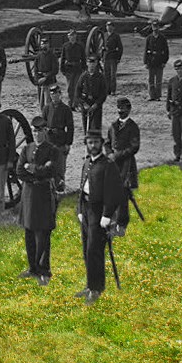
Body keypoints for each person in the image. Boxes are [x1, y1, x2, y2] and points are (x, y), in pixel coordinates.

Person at [75, 128, 124, 306]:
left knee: (95, 251)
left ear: (101, 144)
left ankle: (96, 289)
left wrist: (107, 215)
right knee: (86, 249)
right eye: (90, 142)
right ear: (86, 144)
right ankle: (90, 285)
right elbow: (82, 188)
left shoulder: (108, 165)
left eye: (96, 142)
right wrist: (79, 209)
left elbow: (115, 192)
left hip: (99, 211)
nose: (93, 146)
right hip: (86, 210)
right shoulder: (87, 162)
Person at [16, 118, 59, 285]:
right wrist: (35, 174)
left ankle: (44, 269)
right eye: (34, 131)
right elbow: (19, 171)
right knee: (29, 232)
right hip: (29, 194)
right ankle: (32, 268)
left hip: (43, 195)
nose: (37, 134)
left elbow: (51, 170)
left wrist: (32, 168)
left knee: (43, 233)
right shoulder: (27, 148)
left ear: (45, 132)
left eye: (40, 131)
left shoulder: (52, 150)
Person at [105, 97, 140, 235]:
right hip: (113, 165)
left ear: (129, 110)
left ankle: (122, 224)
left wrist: (118, 155)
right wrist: (109, 154)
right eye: (119, 109)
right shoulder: (113, 126)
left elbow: (134, 147)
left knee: (124, 195)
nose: (121, 111)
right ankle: (112, 220)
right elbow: (107, 142)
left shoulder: (133, 127)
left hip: (127, 164)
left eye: (123, 109)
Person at [39, 84, 74, 190]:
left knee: (60, 168)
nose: (54, 96)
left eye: (56, 94)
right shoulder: (46, 108)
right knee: (49, 167)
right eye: (52, 94)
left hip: (60, 141)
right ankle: (50, 190)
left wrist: (68, 144)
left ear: (60, 94)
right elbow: (42, 123)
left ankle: (61, 189)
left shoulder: (66, 109)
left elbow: (70, 128)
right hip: (49, 141)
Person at [77, 56, 108, 135]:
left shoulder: (100, 77)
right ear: (87, 64)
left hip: (96, 103)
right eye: (90, 63)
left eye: (93, 63)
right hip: (85, 103)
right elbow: (78, 91)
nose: (91, 65)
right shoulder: (83, 76)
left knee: (96, 124)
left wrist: (96, 104)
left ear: (96, 63)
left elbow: (103, 93)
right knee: (86, 123)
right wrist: (83, 103)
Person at [143, 20, 169, 101]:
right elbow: (145, 51)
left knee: (158, 80)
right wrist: (145, 62)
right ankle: (151, 96)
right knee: (150, 80)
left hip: (159, 61)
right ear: (152, 27)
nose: (155, 29)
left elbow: (166, 51)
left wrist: (164, 62)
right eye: (154, 27)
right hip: (151, 61)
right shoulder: (149, 38)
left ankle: (158, 96)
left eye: (156, 27)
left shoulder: (162, 38)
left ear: (159, 27)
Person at [59, 30, 85, 109]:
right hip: (69, 69)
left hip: (77, 68)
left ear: (76, 36)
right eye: (71, 36)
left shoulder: (80, 46)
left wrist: (84, 69)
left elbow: (83, 58)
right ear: (68, 37)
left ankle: (75, 104)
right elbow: (62, 58)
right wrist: (62, 68)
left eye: (74, 35)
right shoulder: (65, 46)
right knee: (70, 88)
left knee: (77, 87)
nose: (72, 37)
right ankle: (70, 103)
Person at [33, 36, 59, 109]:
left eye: (46, 44)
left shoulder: (52, 56)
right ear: (41, 45)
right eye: (42, 44)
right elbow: (35, 69)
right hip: (41, 82)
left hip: (50, 81)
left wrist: (46, 77)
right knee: (41, 103)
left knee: (49, 102)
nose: (44, 45)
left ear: (48, 45)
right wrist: (37, 79)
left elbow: (55, 70)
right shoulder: (39, 56)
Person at [103, 21, 123, 95]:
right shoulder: (104, 35)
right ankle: (107, 90)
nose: (109, 27)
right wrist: (102, 56)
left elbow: (120, 48)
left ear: (113, 28)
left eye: (111, 26)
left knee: (112, 75)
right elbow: (101, 46)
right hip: (106, 57)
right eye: (108, 26)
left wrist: (118, 58)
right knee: (106, 74)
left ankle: (113, 90)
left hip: (113, 57)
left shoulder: (116, 36)